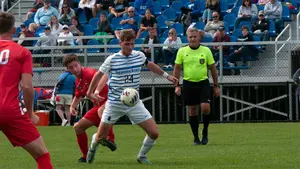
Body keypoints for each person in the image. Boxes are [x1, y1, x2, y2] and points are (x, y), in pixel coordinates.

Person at [85, 29, 178, 164]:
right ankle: (93, 146)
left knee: (154, 133)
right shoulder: (112, 59)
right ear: (120, 43)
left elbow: (150, 65)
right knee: (101, 137)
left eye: (132, 44)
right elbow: (98, 75)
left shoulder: (139, 56)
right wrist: (90, 92)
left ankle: (141, 156)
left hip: (134, 103)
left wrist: (167, 76)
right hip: (115, 104)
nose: (129, 47)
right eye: (127, 44)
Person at [0, 12, 53, 169]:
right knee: (42, 154)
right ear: (14, 30)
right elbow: (27, 86)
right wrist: (29, 113)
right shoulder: (22, 52)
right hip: (9, 109)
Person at [62, 54, 116, 163]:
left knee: (101, 111)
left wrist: (95, 92)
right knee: (78, 128)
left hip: (110, 102)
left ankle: (110, 139)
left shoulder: (89, 73)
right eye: (71, 67)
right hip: (99, 106)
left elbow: (103, 77)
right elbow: (78, 95)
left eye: (76, 65)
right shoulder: (78, 80)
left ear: (79, 64)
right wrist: (72, 106)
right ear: (67, 69)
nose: (75, 69)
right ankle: (85, 156)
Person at [173, 27, 220, 145]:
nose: (193, 39)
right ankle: (195, 137)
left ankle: (205, 131)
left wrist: (216, 85)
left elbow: (213, 69)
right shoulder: (182, 51)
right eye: (190, 37)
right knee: (192, 111)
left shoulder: (206, 50)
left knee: (205, 107)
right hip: (188, 83)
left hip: (203, 82)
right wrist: (177, 85)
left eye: (195, 37)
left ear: (199, 37)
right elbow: (177, 69)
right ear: (187, 38)